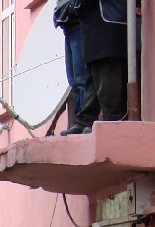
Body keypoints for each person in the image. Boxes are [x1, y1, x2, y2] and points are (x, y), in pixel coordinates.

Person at [64, 0, 131, 134]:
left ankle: (111, 121)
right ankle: (85, 120)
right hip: (95, 22)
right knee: (92, 76)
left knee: (106, 77)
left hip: (108, 22)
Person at [54, 0, 86, 134]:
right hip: (68, 28)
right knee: (74, 81)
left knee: (81, 79)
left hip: (79, 25)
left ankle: (84, 122)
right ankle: (80, 122)